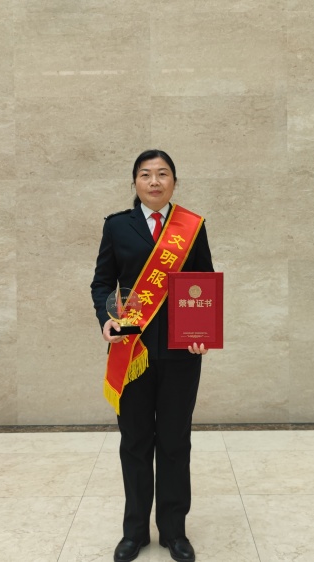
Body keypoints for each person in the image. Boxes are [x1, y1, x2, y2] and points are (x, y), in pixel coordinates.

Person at [91, 150, 213, 562]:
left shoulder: (191, 227)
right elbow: (102, 283)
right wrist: (105, 319)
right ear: (135, 182)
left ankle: (175, 532)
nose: (155, 181)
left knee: (175, 442)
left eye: (163, 174)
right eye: (146, 174)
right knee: (136, 442)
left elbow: (203, 284)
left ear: (174, 182)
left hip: (182, 352)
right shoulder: (116, 226)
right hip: (132, 350)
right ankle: (135, 532)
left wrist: (203, 332)